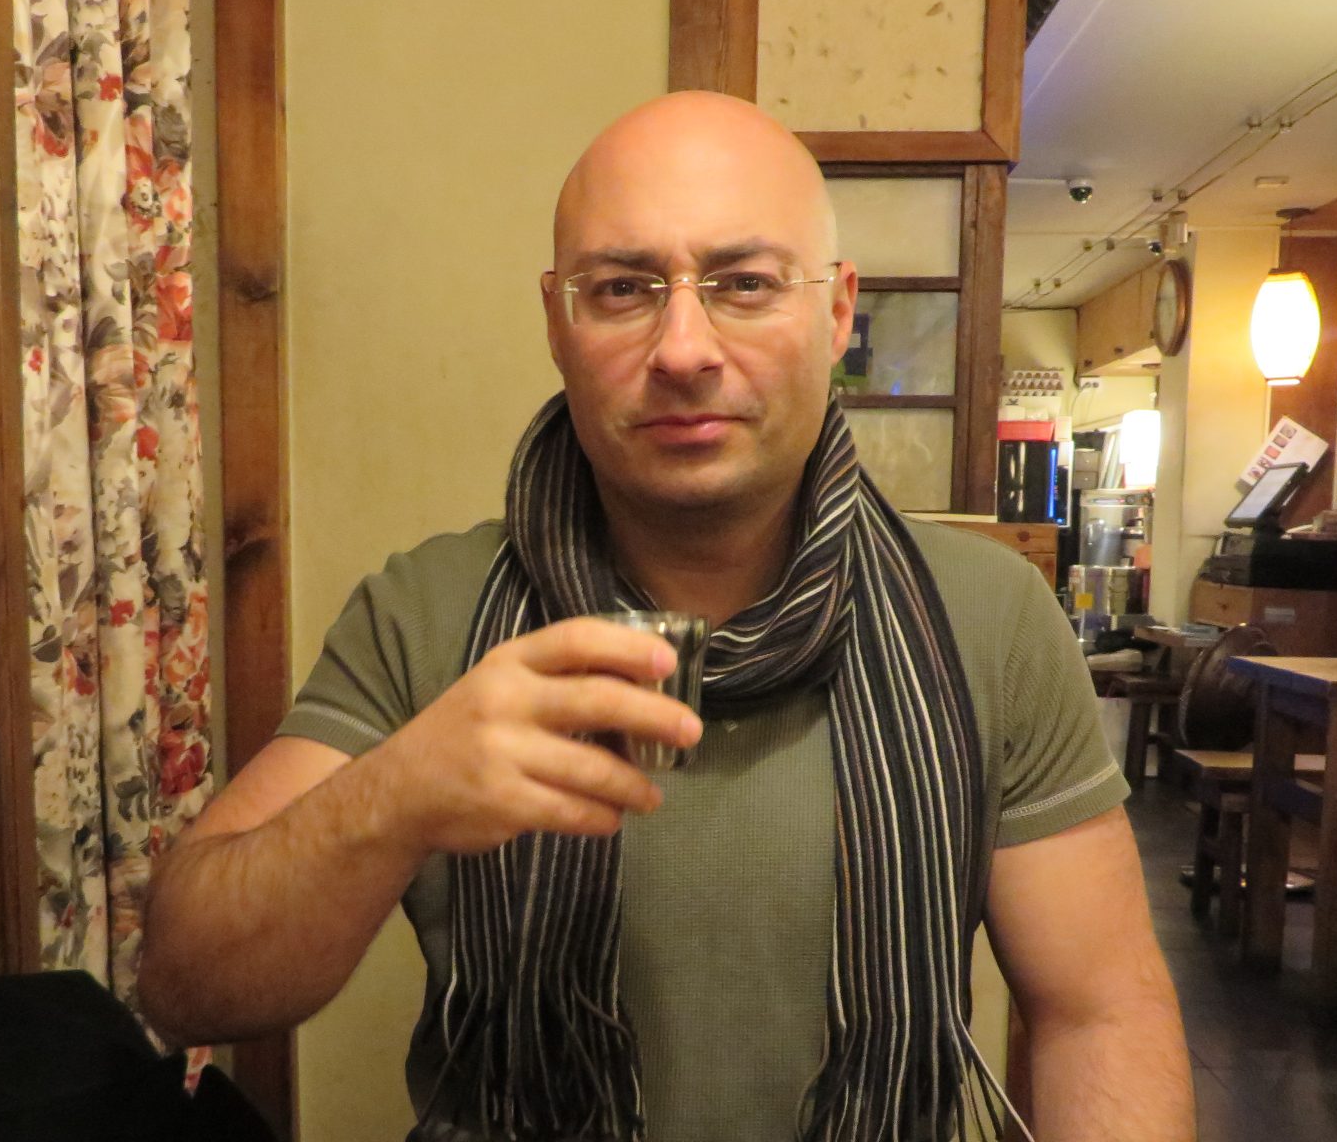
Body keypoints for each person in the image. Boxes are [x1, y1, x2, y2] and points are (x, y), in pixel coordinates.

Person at [138, 92, 1195, 1142]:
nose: (683, 348)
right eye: (622, 289)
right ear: (557, 322)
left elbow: (1098, 1012)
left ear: (837, 313)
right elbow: (186, 985)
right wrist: (394, 795)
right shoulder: (426, 613)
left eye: (744, 283)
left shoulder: (989, 619)